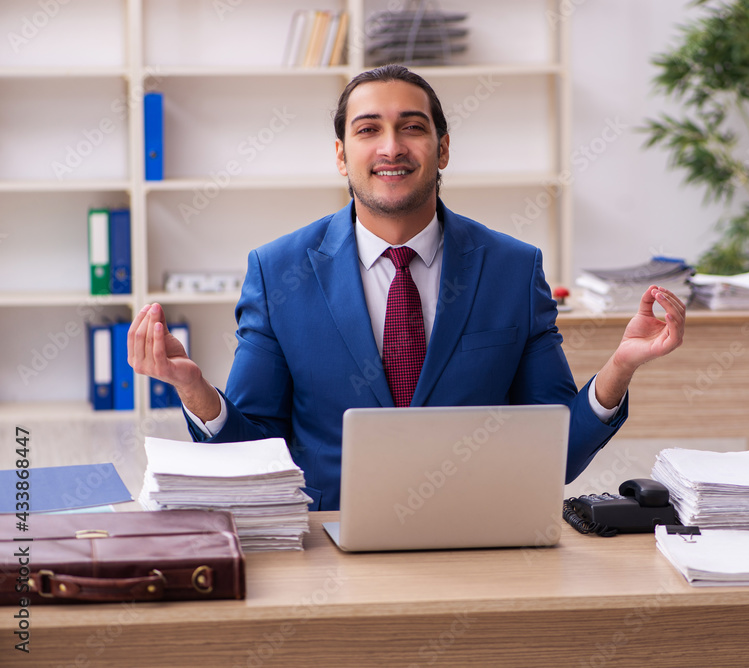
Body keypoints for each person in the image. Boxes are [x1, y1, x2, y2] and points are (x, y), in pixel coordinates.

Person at [128, 64, 686, 510]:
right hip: (329, 538)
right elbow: (255, 456)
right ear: (343, 155)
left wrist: (619, 369)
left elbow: (553, 452)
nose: (391, 147)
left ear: (442, 149)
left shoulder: (512, 268)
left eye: (412, 127)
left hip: (479, 535)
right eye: (368, 129)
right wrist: (195, 390)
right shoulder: (279, 272)